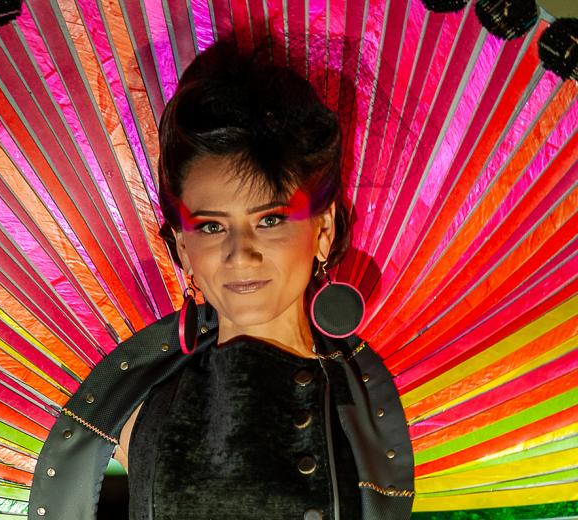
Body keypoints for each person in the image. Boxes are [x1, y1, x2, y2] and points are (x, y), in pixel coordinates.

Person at [28, 35, 414, 520]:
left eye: (270, 219)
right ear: (183, 248)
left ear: (323, 230)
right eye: (212, 226)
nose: (240, 254)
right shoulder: (127, 411)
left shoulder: (387, 408)